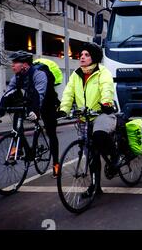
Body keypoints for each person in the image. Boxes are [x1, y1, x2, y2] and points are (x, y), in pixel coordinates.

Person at [57, 42, 117, 196]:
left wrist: (106, 103)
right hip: (85, 118)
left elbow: (107, 88)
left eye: (87, 55)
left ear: (94, 57)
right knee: (90, 154)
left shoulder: (102, 73)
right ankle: (95, 187)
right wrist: (64, 109)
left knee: (99, 135)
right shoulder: (76, 74)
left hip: (102, 113)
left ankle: (114, 156)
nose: (82, 57)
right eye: (81, 55)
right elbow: (68, 93)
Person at [0, 50, 60, 177]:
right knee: (17, 118)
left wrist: (35, 111)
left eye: (15, 62)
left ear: (25, 65)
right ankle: (21, 149)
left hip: (47, 102)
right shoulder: (17, 77)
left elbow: (40, 95)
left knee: (51, 132)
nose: (12, 65)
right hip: (30, 100)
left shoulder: (39, 75)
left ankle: (56, 164)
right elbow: (8, 94)